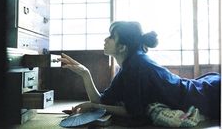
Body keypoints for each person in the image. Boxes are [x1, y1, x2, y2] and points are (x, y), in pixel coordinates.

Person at [58, 21, 220, 122]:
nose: (105, 39)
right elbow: (103, 101)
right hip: (204, 87)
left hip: (208, 95)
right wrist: (85, 73)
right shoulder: (129, 65)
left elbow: (134, 113)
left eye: (111, 37)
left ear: (122, 47)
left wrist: (93, 106)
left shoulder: (136, 66)